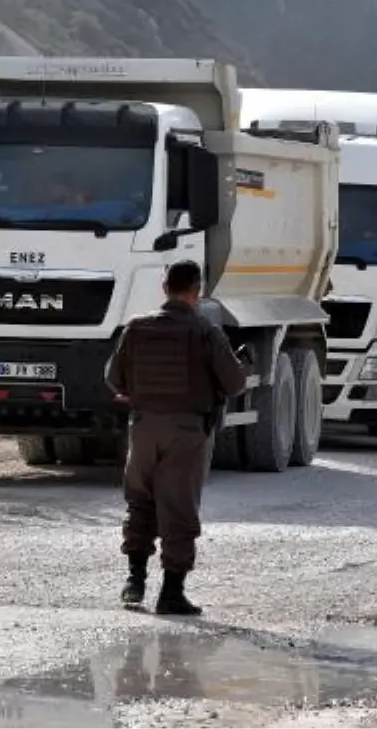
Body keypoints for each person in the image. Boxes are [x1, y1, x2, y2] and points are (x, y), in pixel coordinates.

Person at [104, 260, 248, 615]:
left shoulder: (135, 328)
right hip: (186, 433)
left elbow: (113, 378)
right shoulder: (205, 331)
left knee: (140, 504)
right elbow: (234, 383)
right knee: (179, 510)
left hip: (143, 428)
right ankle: (171, 593)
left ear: (164, 288)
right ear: (196, 291)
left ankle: (134, 583)